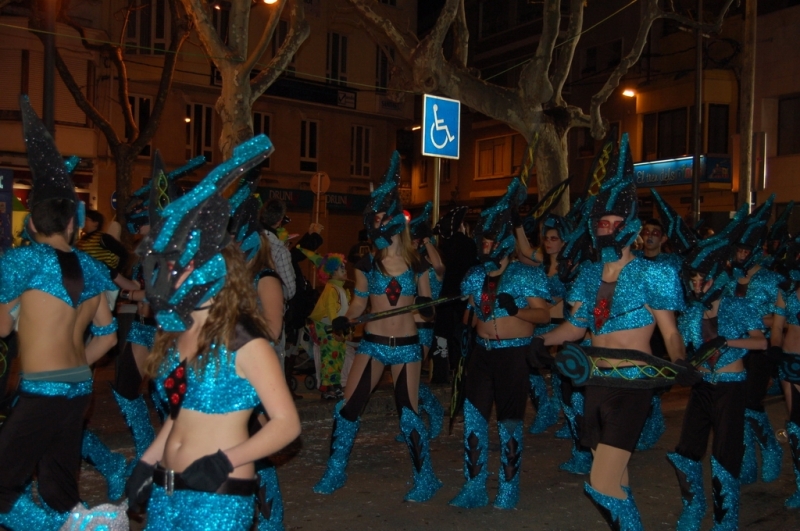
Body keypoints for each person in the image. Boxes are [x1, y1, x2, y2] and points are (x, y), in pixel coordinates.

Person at [125, 135, 300, 531]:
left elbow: (287, 424)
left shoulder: (245, 340)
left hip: (217, 498)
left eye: (177, 268)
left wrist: (227, 459)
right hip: (167, 492)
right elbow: (177, 415)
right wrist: (147, 462)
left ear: (206, 269)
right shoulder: (174, 335)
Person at [538, 134, 690, 529]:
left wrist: (679, 360)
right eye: (600, 223)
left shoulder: (654, 273)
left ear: (630, 227)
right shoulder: (588, 274)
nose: (606, 229)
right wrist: (539, 341)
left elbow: (670, 331)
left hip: (634, 384)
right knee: (617, 477)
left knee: (600, 481)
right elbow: (574, 328)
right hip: (595, 381)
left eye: (613, 223)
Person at [0, 96, 118, 530]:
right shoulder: (95, 268)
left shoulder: (20, 262)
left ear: (31, 225)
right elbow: (107, 337)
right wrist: (73, 367)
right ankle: (68, 521)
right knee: (57, 485)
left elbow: (0, 327)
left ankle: (78, 529)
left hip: (41, 390)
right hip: (79, 389)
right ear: (74, 224)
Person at [313, 151, 441, 502]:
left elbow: (426, 307)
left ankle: (425, 478)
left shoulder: (417, 265)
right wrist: (346, 317)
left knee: (408, 413)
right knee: (349, 407)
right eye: (376, 216)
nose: (379, 221)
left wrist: (426, 313)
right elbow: (359, 301)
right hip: (371, 344)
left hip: (407, 347)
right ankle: (335, 470)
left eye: (385, 215)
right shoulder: (366, 263)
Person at [449, 178, 551, 510]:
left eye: (491, 240)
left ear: (505, 242)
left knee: (509, 421)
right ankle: (474, 487)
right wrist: (460, 321)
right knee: (474, 420)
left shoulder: (526, 274)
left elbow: (545, 315)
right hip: (481, 355)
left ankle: (508, 488)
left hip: (513, 355)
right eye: (483, 240)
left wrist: (516, 309)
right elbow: (468, 313)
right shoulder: (475, 275)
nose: (486, 245)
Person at [668, 228, 767, 531]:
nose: (698, 285)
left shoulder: (737, 305)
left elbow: (761, 342)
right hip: (702, 386)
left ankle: (725, 522)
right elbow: (679, 346)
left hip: (731, 386)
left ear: (716, 276)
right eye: (693, 279)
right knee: (686, 451)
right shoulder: (690, 313)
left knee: (725, 454)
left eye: (704, 279)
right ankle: (694, 508)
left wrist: (727, 342)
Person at [723, 196, 785, 485]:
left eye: (747, 249)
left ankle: (770, 447)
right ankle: (745, 461)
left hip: (760, 351)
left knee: (750, 404)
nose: (742, 254)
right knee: (735, 411)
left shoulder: (771, 280)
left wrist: (754, 322)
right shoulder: (728, 279)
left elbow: (781, 320)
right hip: (732, 351)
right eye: (739, 249)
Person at [515, 213, 569, 435]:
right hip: (543, 324)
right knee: (529, 366)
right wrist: (517, 224)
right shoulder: (540, 260)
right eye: (546, 238)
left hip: (564, 324)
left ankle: (567, 416)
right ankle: (545, 410)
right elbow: (524, 251)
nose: (548, 242)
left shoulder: (571, 265)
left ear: (564, 241)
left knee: (562, 372)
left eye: (553, 239)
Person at [431, 205, 478, 383]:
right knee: (462, 336)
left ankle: (440, 374)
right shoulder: (468, 244)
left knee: (442, 336)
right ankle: (463, 371)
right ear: (461, 226)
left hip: (445, 298)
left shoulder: (443, 246)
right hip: (462, 298)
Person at [772, 234, 800, 507]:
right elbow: (778, 327)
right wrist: (775, 349)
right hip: (790, 363)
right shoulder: (787, 290)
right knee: (795, 425)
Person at [307, 253, 350, 399]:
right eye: (340, 268)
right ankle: (329, 387)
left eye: (344, 267)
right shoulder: (331, 289)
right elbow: (332, 311)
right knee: (330, 356)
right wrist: (337, 329)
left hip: (335, 327)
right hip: (328, 327)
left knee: (338, 356)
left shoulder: (340, 289)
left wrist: (346, 329)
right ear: (331, 272)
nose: (345, 270)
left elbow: (345, 311)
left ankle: (335, 384)